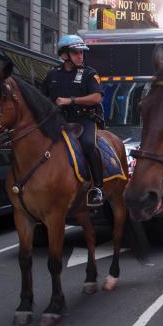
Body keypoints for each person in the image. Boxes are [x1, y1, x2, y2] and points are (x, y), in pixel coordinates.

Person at [42, 34, 106, 206]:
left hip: (84, 120)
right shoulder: (52, 74)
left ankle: (98, 188)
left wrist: (71, 100)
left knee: (88, 144)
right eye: (76, 52)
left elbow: (96, 98)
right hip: (60, 121)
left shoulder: (89, 73)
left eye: (82, 52)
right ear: (64, 55)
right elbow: (43, 98)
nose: (80, 56)